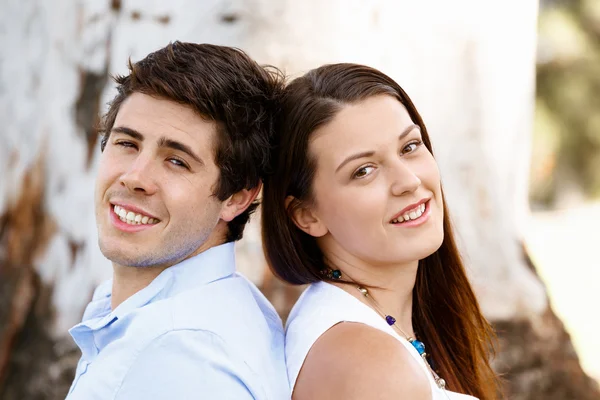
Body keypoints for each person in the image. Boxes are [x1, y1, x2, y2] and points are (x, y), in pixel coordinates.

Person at [261, 63, 500, 400]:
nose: (409, 181)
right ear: (306, 214)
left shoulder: (377, 329)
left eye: (409, 147)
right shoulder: (370, 367)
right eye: (364, 170)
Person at [66, 42, 290, 400]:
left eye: (177, 161)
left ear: (236, 198)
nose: (135, 177)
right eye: (127, 143)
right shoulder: (195, 311)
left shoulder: (179, 358)